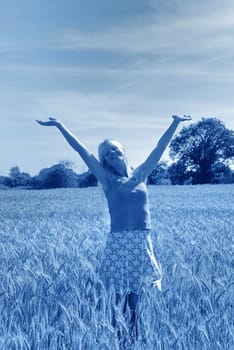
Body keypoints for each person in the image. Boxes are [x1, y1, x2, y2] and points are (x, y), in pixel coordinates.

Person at [36, 114, 191, 341]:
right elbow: (82, 152)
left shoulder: (141, 175)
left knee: (136, 302)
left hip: (140, 242)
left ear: (123, 151)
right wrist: (60, 125)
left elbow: (160, 148)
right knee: (118, 301)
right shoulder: (107, 179)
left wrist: (175, 123)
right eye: (107, 153)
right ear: (105, 161)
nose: (112, 153)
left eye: (115, 149)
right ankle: (118, 340)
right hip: (119, 243)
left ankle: (134, 340)